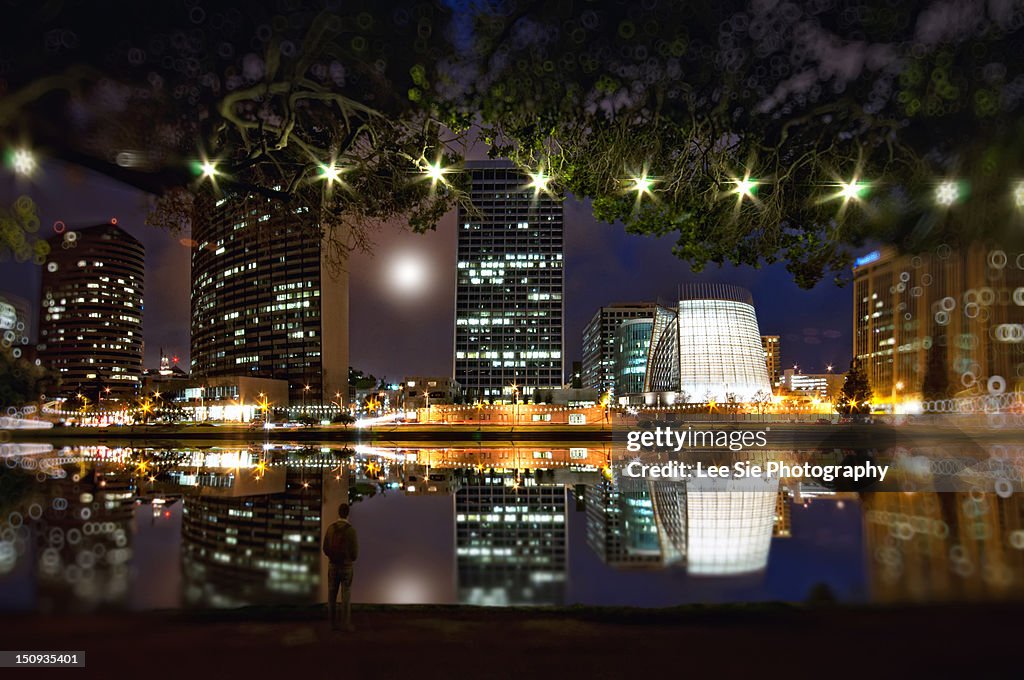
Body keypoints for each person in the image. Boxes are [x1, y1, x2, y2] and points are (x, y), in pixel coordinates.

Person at [322, 502, 358, 631]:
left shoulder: (331, 529)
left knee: (331, 596)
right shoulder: (351, 531)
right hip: (347, 567)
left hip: (333, 566)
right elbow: (355, 554)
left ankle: (331, 624)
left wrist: (333, 557)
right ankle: (346, 625)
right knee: (346, 596)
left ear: (339, 513)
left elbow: (325, 548)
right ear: (348, 513)